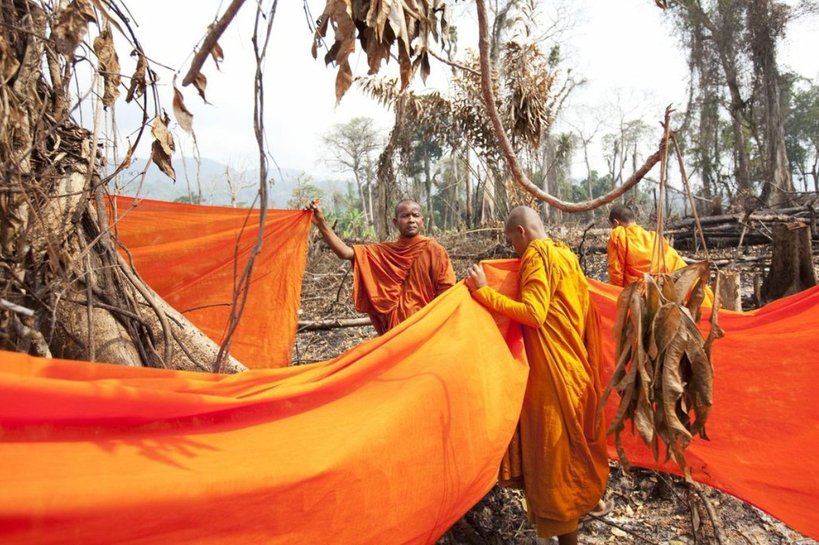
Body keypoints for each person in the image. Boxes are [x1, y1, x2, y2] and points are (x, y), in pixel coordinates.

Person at [465, 206, 609, 545]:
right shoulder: (566, 255)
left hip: (552, 374)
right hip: (573, 366)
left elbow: (534, 313)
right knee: (570, 452)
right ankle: (590, 499)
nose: (512, 249)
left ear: (521, 233)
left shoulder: (536, 254)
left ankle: (568, 536)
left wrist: (485, 292)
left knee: (553, 460)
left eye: (510, 241)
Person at [304, 198, 455, 335]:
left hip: (424, 328)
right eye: (405, 216)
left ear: (422, 221)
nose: (411, 220)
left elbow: (447, 291)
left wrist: (434, 325)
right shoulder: (383, 251)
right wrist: (321, 223)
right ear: (395, 222)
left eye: (415, 215)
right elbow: (345, 252)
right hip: (393, 331)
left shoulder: (435, 251)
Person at [607, 204, 689, 287]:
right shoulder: (654, 236)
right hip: (677, 284)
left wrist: (615, 294)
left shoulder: (618, 235)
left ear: (616, 222)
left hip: (641, 292)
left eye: (612, 226)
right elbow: (673, 260)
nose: (613, 229)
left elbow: (616, 271)